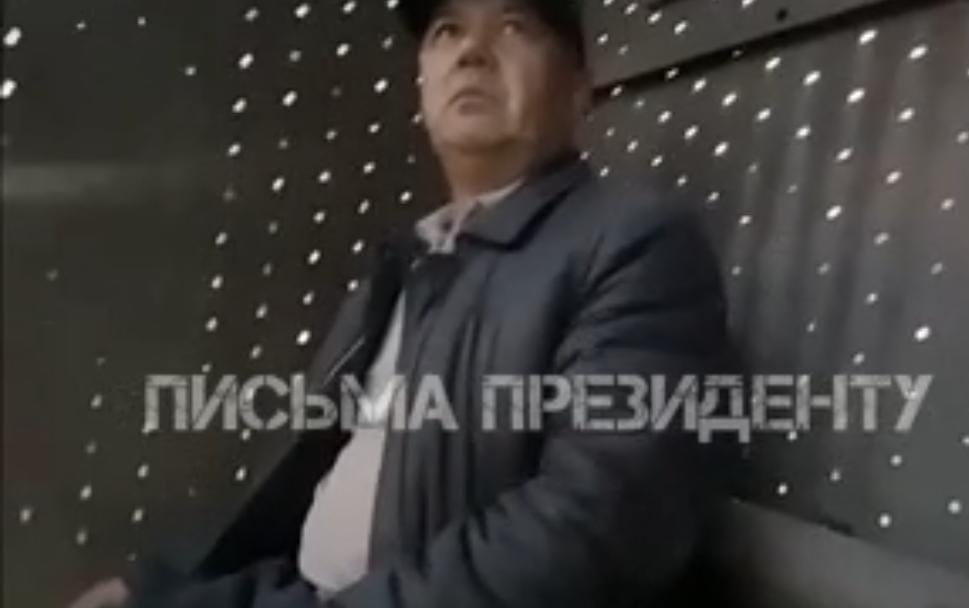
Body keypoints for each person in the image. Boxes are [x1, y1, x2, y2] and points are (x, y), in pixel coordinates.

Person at [70, 0, 736, 605]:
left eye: (513, 26)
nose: (471, 52)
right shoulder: (407, 264)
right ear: (423, 83)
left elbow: (604, 521)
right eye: (447, 31)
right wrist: (156, 589)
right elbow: (296, 485)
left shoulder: (634, 241)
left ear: (579, 89)